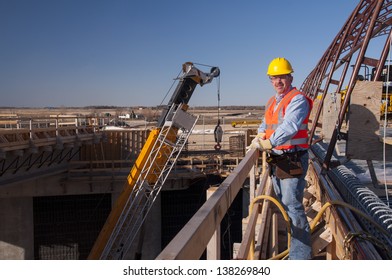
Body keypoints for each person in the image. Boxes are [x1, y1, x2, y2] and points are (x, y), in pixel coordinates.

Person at [248, 57, 313, 260]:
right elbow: (265, 124)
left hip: (292, 158)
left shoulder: (297, 99)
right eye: (274, 78)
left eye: (281, 77)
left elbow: (290, 126)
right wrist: (260, 136)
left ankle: (300, 258)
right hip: (278, 159)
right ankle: (296, 248)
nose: (278, 81)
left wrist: (269, 143)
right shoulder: (272, 101)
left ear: (290, 77)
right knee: (285, 205)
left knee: (292, 206)